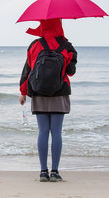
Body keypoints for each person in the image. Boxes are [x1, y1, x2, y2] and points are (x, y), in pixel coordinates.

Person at [19, 18, 77, 182]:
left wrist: (23, 92)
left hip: (39, 93)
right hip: (60, 92)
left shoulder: (35, 45)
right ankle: (55, 172)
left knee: (43, 131)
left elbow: (28, 70)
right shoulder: (67, 46)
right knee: (56, 132)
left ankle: (43, 171)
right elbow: (71, 71)